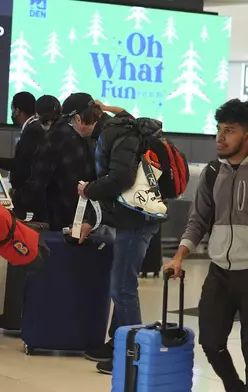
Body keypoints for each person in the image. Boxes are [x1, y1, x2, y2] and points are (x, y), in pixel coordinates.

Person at [164, 99, 248, 392]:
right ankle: (235, 387)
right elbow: (198, 220)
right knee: (211, 342)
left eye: (230, 131)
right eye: (218, 130)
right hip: (220, 274)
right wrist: (179, 256)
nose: (220, 137)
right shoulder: (213, 172)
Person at [74, 103, 161, 375]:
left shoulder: (114, 133)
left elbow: (120, 177)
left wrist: (90, 190)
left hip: (136, 220)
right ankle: (118, 344)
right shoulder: (118, 128)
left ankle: (133, 357)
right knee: (121, 283)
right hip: (136, 216)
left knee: (123, 288)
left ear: (79, 120)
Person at [23, 93, 98, 229]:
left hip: (67, 216)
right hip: (78, 217)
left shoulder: (59, 136)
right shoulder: (84, 137)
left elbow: (39, 180)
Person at [10, 94, 61, 219]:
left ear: (17, 111)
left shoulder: (32, 130)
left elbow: (24, 164)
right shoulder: (37, 128)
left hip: (32, 198)